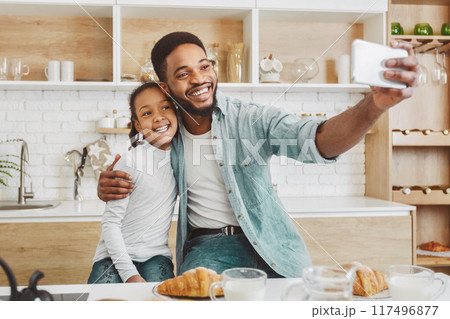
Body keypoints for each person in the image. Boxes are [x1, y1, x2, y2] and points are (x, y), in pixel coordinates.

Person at [97, 32, 419, 278]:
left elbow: (317, 141)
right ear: (166, 87)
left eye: (204, 66)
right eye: (183, 74)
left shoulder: (252, 118)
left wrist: (373, 105)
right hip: (207, 249)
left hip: (272, 240)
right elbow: (136, 167)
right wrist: (111, 184)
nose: (199, 79)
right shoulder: (166, 132)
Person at [88, 82, 178, 284]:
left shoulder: (182, 158)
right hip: (112, 257)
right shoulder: (130, 161)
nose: (158, 117)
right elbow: (110, 223)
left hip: (156, 257)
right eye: (147, 113)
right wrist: (130, 275)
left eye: (165, 107)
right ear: (137, 125)